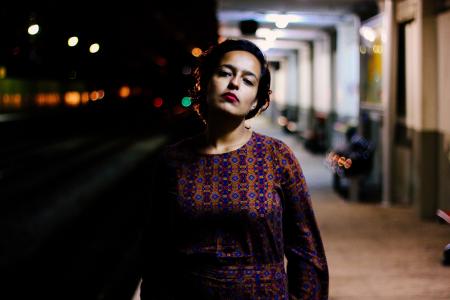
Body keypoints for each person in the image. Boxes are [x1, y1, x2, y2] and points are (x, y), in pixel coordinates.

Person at [139, 39, 328, 299]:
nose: (235, 83)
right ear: (204, 84)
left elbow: (307, 254)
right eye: (225, 73)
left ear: (255, 102)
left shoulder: (277, 157)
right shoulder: (173, 161)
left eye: (248, 80)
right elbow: (156, 253)